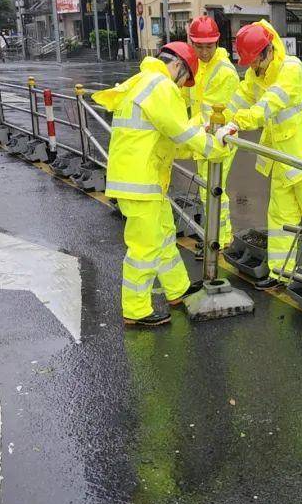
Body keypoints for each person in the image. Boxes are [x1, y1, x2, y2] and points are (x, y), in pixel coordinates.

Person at [93, 41, 230, 326]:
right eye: (184, 81)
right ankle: (136, 310)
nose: (182, 88)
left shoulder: (143, 81)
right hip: (140, 181)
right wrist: (214, 147)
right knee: (144, 248)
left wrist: (199, 134)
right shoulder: (161, 85)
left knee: (165, 235)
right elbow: (179, 133)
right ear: (178, 66)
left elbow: (167, 138)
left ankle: (177, 289)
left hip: (140, 178)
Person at [214, 20, 302, 290]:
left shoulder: (290, 70)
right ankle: (280, 274)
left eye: (253, 61)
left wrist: (234, 122)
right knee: (280, 219)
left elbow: (265, 108)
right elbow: (238, 99)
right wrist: (216, 120)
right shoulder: (256, 74)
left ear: (267, 51)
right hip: (284, 159)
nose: (251, 68)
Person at [186, 15, 240, 260]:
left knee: (213, 187)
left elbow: (210, 111)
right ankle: (216, 234)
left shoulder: (224, 71)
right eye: (199, 46)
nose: (204, 51)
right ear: (192, 42)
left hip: (220, 136)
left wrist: (181, 130)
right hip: (203, 135)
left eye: (209, 46)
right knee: (207, 188)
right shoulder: (195, 64)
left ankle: (220, 237)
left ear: (217, 42)